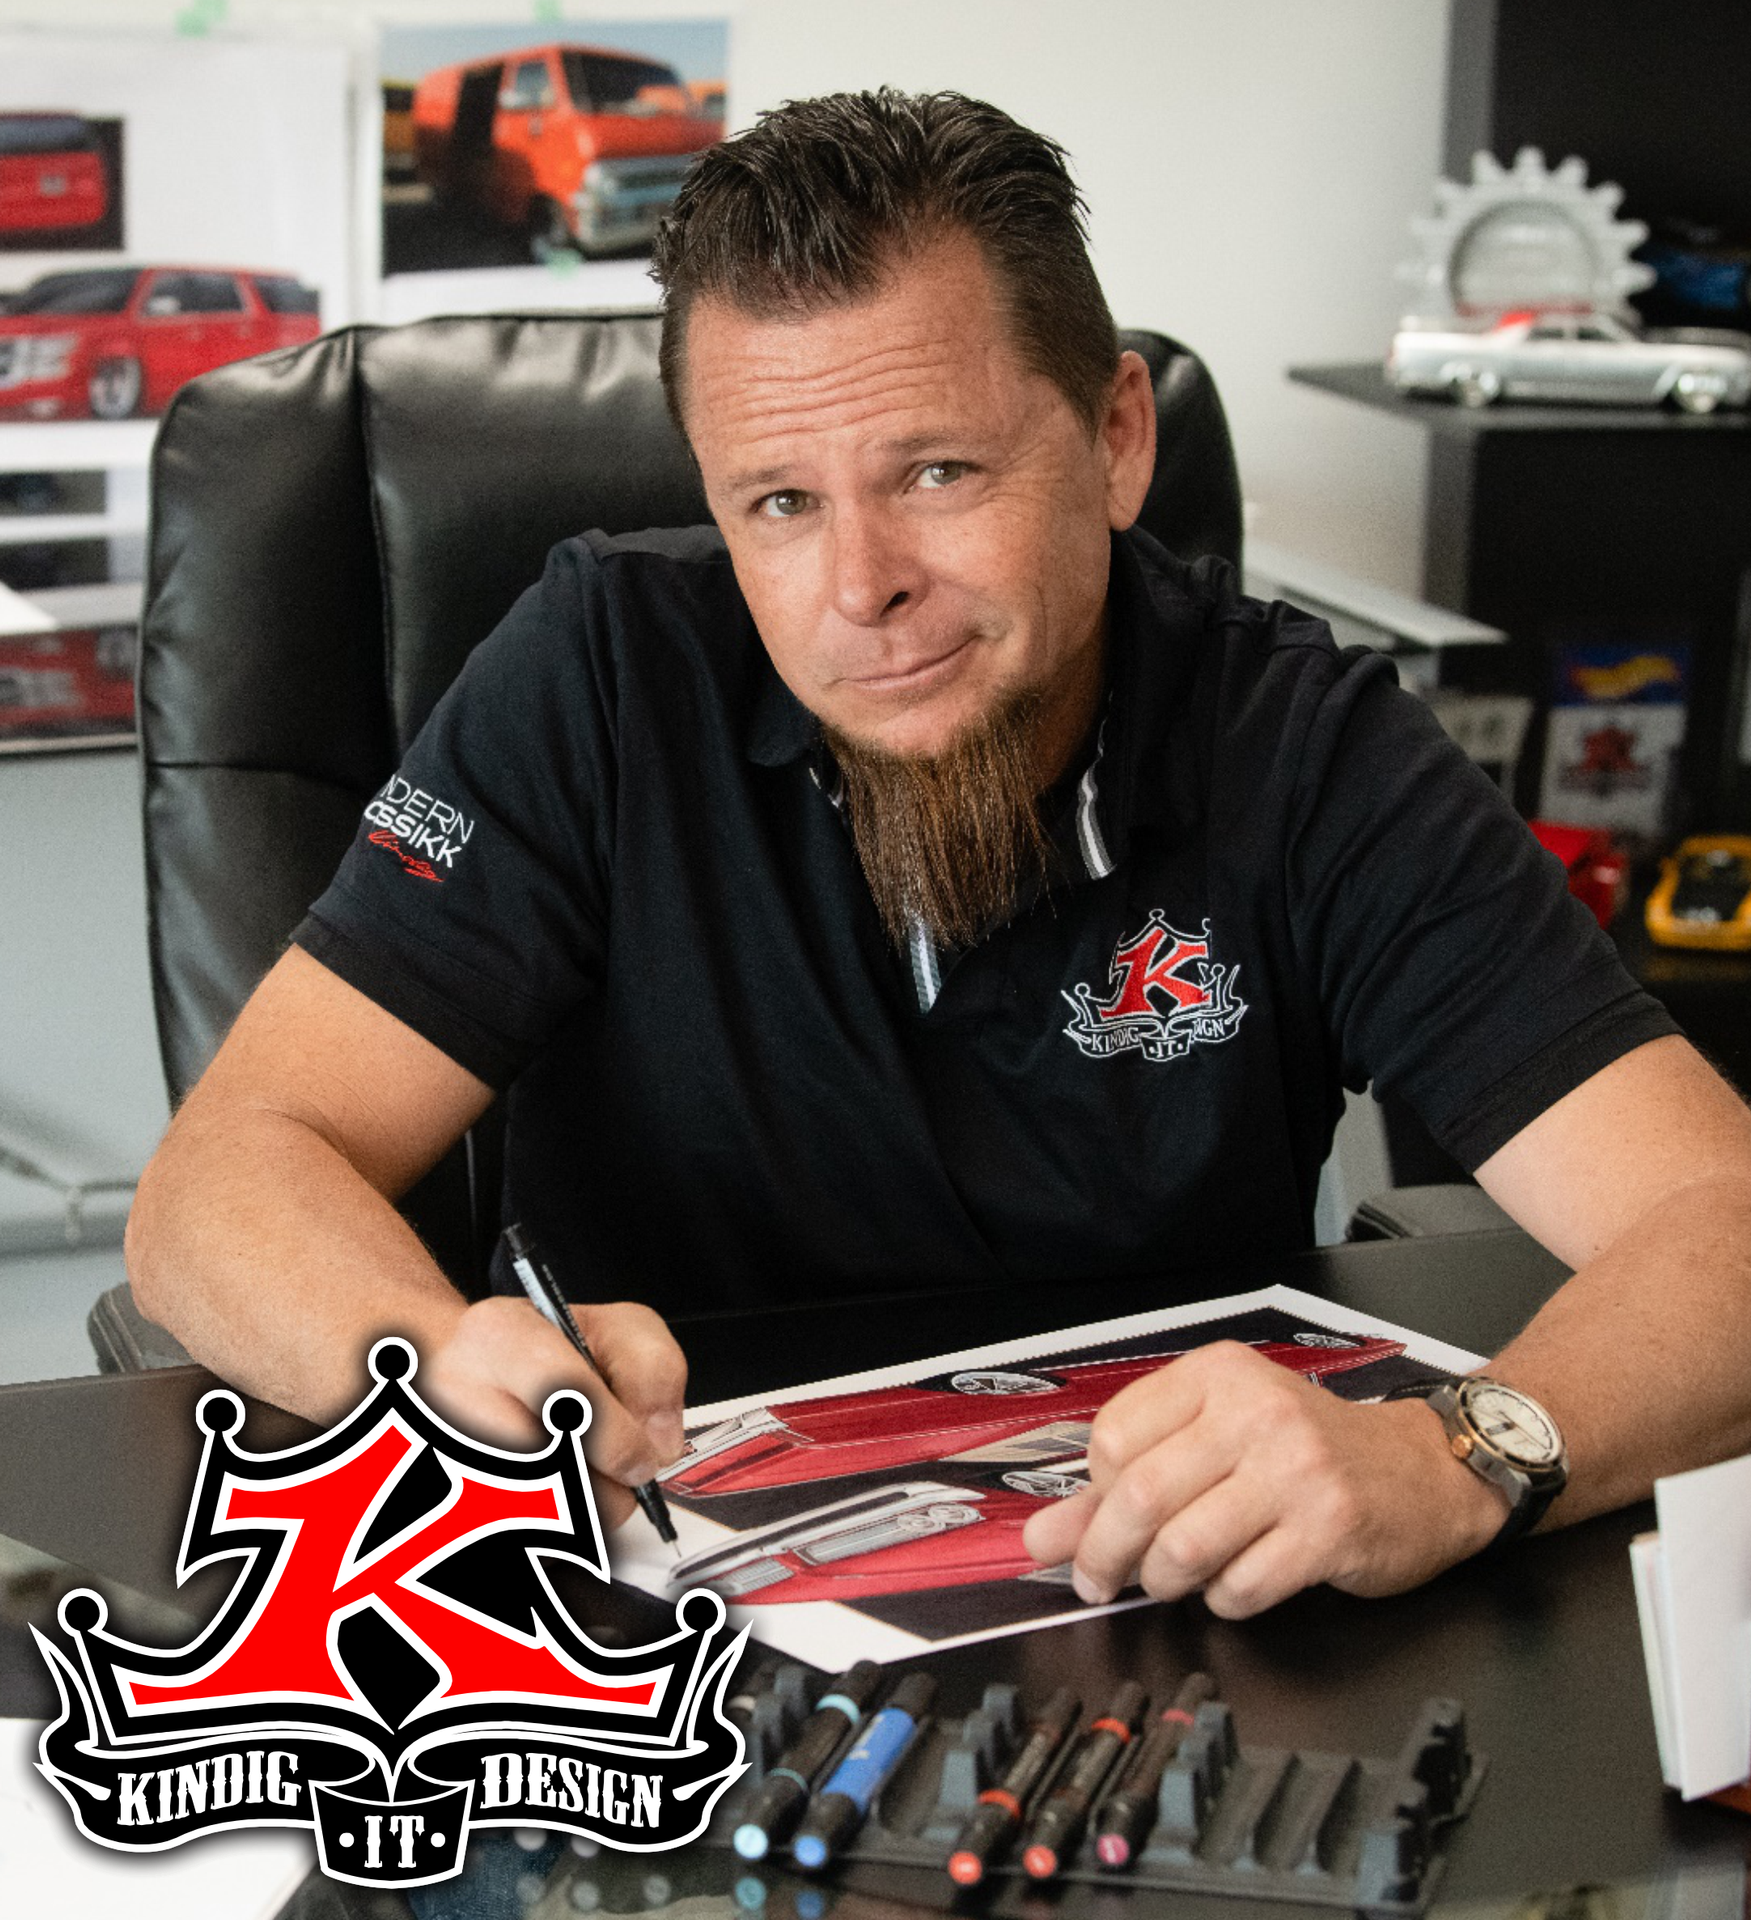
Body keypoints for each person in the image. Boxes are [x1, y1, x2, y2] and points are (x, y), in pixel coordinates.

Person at [126, 89, 1751, 1620]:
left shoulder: (1298, 747)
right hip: (661, 1619)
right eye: (776, 501)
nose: (860, 584)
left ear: (1116, 439)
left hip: (1182, 1608)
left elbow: (1721, 1216)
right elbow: (222, 1179)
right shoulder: (600, 675)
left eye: (936, 471)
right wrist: (425, 1359)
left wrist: (1462, 1451)